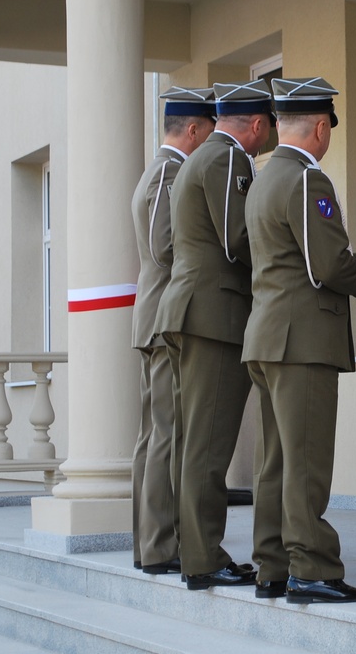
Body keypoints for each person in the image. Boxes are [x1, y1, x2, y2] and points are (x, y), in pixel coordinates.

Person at [243, 77, 356, 604]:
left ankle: (272, 566)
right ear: (319, 127)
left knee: (277, 462)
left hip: (267, 337)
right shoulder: (308, 181)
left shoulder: (265, 178)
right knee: (307, 461)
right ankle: (312, 569)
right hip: (302, 342)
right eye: (328, 127)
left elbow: (297, 257)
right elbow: (329, 263)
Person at [154, 79, 274, 591]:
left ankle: (196, 550)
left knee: (193, 441)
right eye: (268, 126)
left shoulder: (199, 158)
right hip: (214, 317)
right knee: (208, 444)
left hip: (194, 311)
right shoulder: (228, 160)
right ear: (255, 124)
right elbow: (239, 238)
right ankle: (203, 557)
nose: (267, 136)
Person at [130, 86, 215, 575]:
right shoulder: (169, 172)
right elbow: (166, 246)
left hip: (154, 317)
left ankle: (150, 544)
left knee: (154, 435)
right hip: (167, 320)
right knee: (167, 434)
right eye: (206, 132)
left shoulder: (154, 171)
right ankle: (160, 547)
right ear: (192, 129)